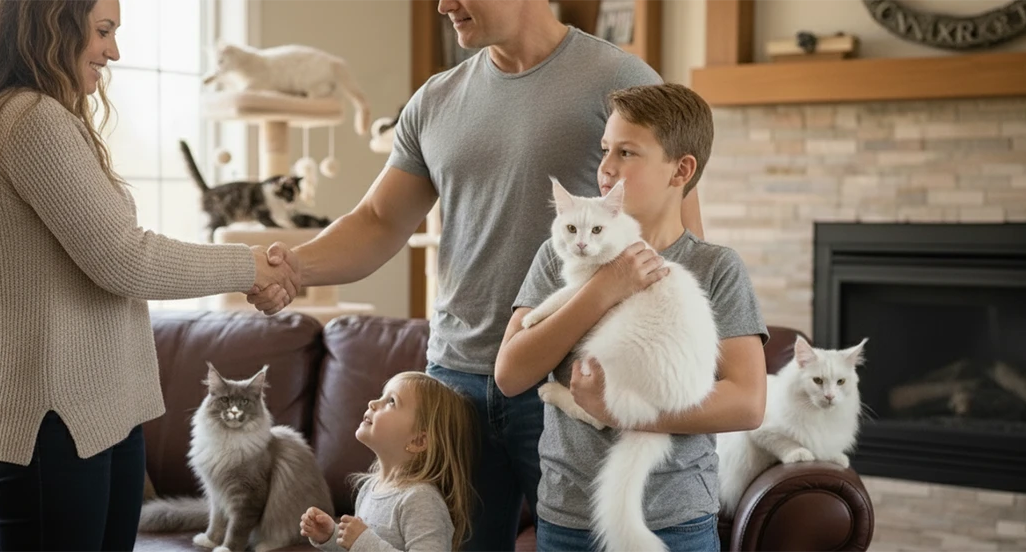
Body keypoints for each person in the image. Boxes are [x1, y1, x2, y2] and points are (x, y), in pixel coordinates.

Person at [246, 1, 702, 548]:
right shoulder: (435, 100)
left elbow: (677, 233)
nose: (443, 5)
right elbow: (378, 220)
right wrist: (295, 268)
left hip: (568, 377)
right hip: (452, 386)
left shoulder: (620, 81)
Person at [0, 0, 295, 549]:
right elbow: (125, 259)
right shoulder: (30, 119)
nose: (113, 51)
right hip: (53, 423)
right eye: (103, 31)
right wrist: (250, 265)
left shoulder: (39, 116)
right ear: (53, 23)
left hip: (95, 415)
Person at [496, 83, 769, 551]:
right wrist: (604, 288)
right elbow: (510, 374)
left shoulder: (716, 267)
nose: (606, 167)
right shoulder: (559, 249)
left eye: (626, 152)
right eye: (605, 149)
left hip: (678, 516)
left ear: (681, 170)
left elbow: (747, 403)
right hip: (568, 513)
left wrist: (615, 411)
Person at [300, 372, 474, 552]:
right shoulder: (369, 488)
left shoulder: (421, 500)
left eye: (391, 401)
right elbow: (359, 547)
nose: (372, 403)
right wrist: (332, 535)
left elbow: (365, 545)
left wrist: (362, 542)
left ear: (418, 441)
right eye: (381, 397)